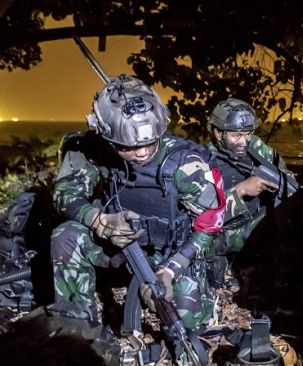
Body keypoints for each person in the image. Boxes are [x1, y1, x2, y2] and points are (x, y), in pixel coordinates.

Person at [48, 75, 225, 363]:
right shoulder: (92, 149)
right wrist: (98, 220)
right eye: (126, 147)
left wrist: (172, 269)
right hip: (118, 247)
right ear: (106, 136)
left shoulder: (187, 164)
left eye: (149, 142)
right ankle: (76, 325)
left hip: (173, 253)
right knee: (66, 235)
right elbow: (64, 193)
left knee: (187, 325)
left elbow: (211, 225)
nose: (141, 152)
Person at [204, 98, 298, 287]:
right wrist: (241, 190)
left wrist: (277, 185)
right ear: (217, 132)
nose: (243, 141)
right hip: (223, 232)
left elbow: (288, 179)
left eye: (248, 134)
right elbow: (203, 215)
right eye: (236, 135)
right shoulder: (202, 160)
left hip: (255, 221)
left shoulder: (255, 147)